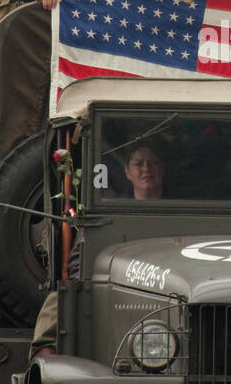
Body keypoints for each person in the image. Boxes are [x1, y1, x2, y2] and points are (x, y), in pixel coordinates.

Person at [30, 143, 166, 359]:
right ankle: (45, 365)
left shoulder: (179, 211)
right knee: (58, 301)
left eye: (153, 163)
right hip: (114, 291)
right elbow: (77, 262)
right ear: (127, 173)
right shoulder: (110, 212)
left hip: (167, 292)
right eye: (138, 164)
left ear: (162, 169)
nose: (146, 169)